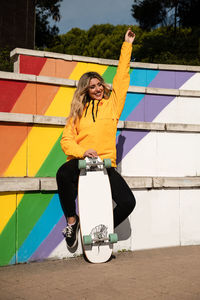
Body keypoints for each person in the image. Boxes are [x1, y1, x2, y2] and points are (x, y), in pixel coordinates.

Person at [56, 28, 136, 249]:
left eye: (99, 84)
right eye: (92, 87)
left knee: (128, 202)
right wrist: (83, 152)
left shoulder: (112, 105)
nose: (98, 89)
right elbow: (66, 140)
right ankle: (72, 221)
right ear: (86, 90)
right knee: (63, 174)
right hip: (83, 162)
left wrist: (126, 45)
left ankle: (104, 227)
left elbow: (121, 77)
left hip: (105, 164)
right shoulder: (78, 111)